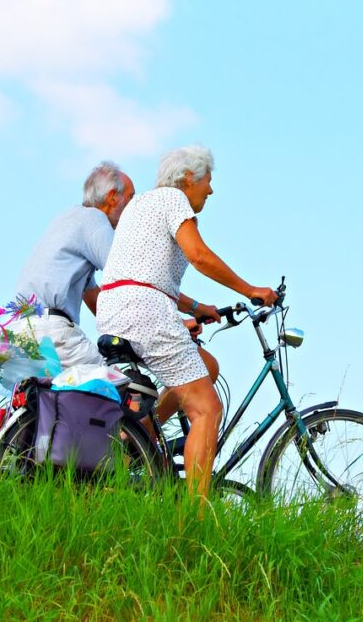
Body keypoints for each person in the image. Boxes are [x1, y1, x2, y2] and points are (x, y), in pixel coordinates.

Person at [96, 145, 277, 498]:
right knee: (207, 409)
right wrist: (250, 289)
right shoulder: (174, 199)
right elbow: (199, 255)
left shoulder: (141, 205)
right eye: (208, 181)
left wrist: (195, 308)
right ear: (189, 178)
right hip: (145, 310)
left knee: (205, 366)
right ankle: (193, 519)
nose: (210, 190)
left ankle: (141, 440)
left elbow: (143, 272)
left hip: (116, 308)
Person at [9, 162, 135, 367]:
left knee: (57, 396)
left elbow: (94, 297)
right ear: (113, 197)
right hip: (52, 331)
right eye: (131, 198)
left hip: (22, 331)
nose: (133, 207)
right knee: (118, 387)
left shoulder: (69, 218)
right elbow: (128, 275)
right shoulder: (94, 219)